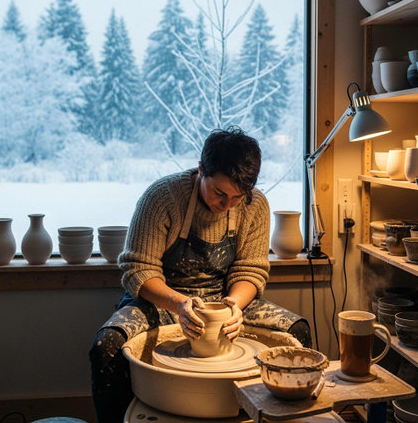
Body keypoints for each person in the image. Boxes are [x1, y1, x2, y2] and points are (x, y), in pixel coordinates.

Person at [89, 127, 311, 423]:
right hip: (163, 301)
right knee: (106, 347)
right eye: (220, 193)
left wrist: (234, 306)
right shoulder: (163, 197)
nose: (227, 203)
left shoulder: (254, 204)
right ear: (200, 169)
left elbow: (251, 269)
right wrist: (179, 304)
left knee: (296, 332)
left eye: (236, 196)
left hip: (224, 299)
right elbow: (138, 270)